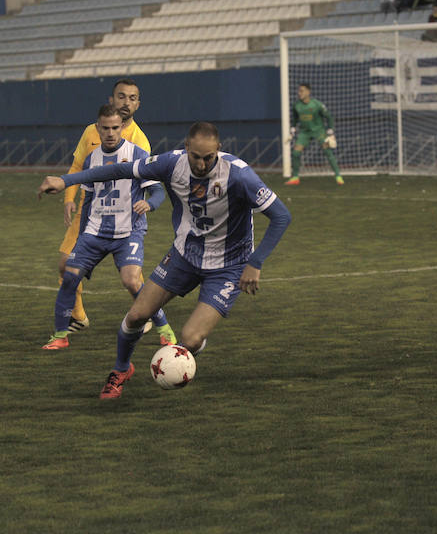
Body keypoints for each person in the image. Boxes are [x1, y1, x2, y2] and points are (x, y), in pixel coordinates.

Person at [38, 121, 292, 399]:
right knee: (136, 315)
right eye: (196, 156)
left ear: (219, 150)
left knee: (191, 339)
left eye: (209, 157)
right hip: (184, 256)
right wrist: (65, 180)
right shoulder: (171, 163)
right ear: (186, 148)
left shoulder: (240, 175)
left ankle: (183, 354)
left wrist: (255, 262)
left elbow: (281, 216)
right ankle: (121, 370)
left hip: (228, 267)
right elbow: (120, 169)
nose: (202, 163)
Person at [43, 105, 175, 350]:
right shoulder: (91, 159)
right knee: (70, 276)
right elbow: (89, 199)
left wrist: (149, 204)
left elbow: (158, 191)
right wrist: (82, 236)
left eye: (116, 127)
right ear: (97, 128)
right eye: (105, 128)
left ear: (123, 127)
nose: (111, 133)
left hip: (128, 232)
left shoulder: (137, 154)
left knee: (132, 281)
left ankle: (164, 329)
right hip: (95, 231)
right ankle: (60, 335)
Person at [286, 83, 343, 186]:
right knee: (295, 153)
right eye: (299, 91)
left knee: (327, 151)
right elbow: (294, 119)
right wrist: (293, 129)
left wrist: (330, 131)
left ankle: (338, 176)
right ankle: (295, 177)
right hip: (304, 132)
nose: (300, 93)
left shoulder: (317, 104)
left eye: (302, 91)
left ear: (308, 92)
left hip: (319, 131)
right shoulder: (296, 105)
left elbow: (329, 117)